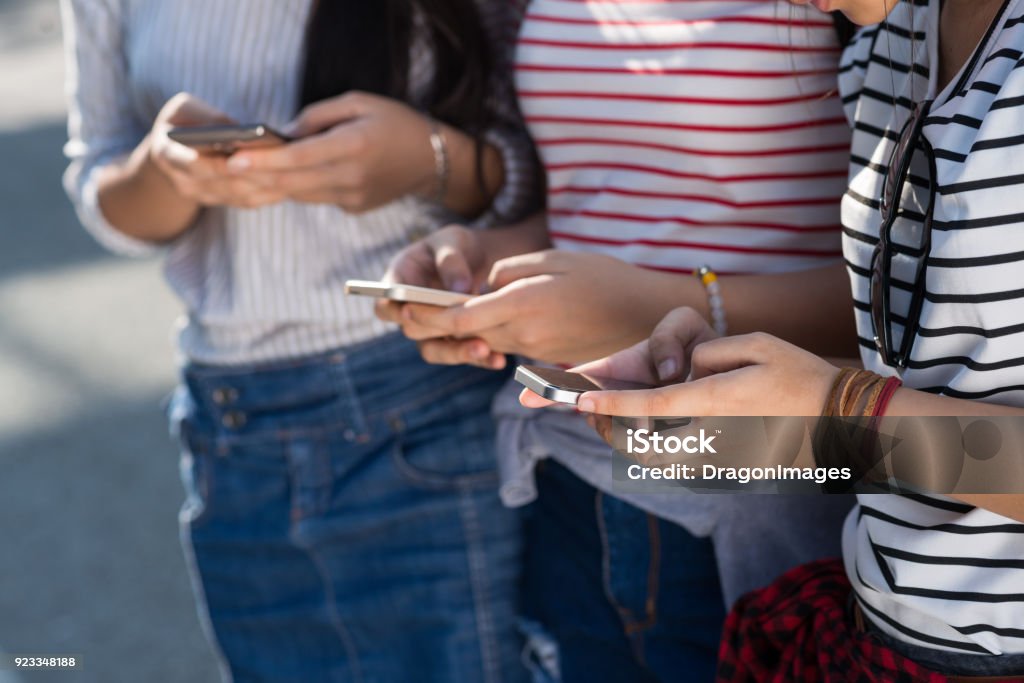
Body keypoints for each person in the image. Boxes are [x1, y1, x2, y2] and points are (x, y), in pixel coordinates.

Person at [534, 0, 1024, 679]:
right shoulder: (891, 44)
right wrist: (736, 405)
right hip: (880, 638)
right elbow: (938, 386)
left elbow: (872, 420)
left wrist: (834, 412)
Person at [61, 1, 541, 681]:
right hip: (228, 428)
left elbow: (562, 176)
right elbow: (100, 178)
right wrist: (164, 171)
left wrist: (429, 159)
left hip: (422, 403)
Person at [380, 3, 860, 680]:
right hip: (570, 470)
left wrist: (660, 305)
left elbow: (913, 288)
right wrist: (483, 260)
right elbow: (603, 199)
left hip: (749, 491)